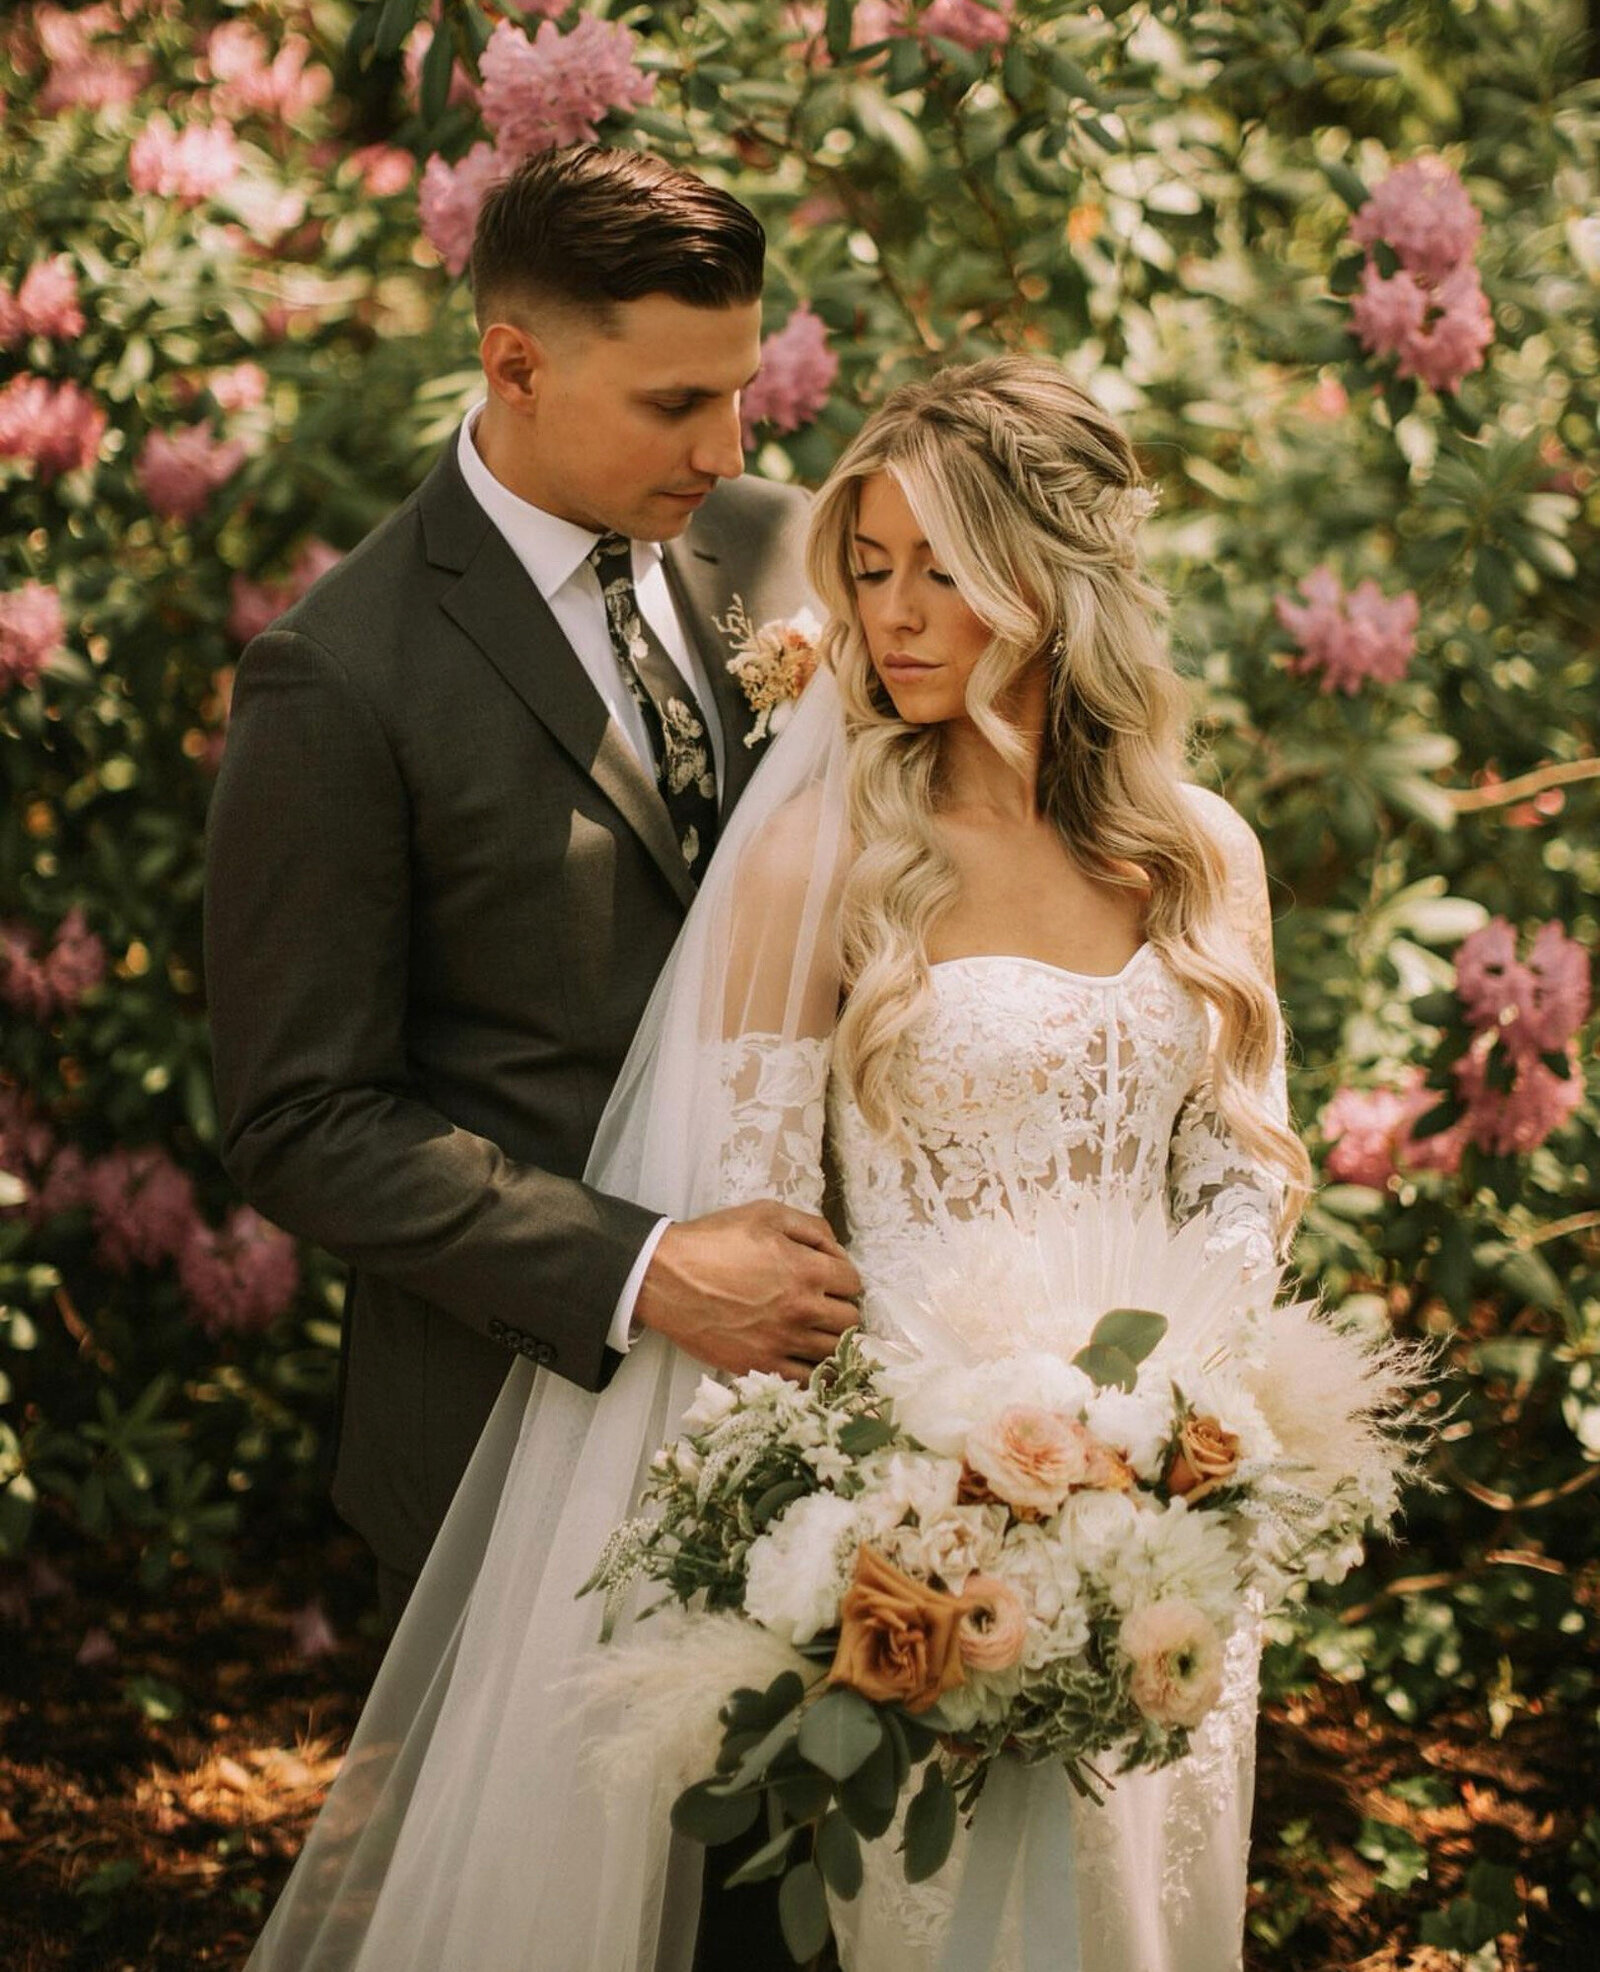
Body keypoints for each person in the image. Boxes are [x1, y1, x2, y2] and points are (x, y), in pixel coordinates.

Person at [242, 353, 1312, 1972]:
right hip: (919, 1532)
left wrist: (1173, 1434)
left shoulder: (1200, 851)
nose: (896, 615)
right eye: (869, 570)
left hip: (1169, 1524)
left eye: (944, 568)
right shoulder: (826, 860)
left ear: (1058, 574)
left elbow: (1240, 1174)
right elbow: (759, 1223)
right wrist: (946, 1489)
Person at [205, 144, 857, 1970]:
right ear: (511, 365)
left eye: (742, 387)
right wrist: (647, 1272)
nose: (728, 444)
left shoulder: (780, 549)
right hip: (522, 1428)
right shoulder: (339, 676)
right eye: (676, 400)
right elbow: (301, 1118)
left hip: (833, 1404)